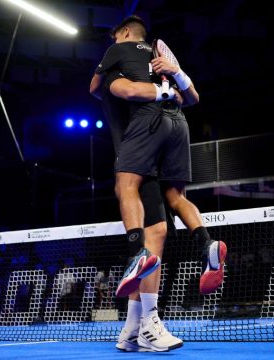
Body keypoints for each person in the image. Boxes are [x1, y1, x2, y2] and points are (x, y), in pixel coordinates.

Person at [90, 15, 227, 352]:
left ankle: (145, 320)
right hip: (170, 132)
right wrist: (172, 85)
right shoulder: (156, 64)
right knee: (166, 217)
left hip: (144, 142)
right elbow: (190, 97)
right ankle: (137, 326)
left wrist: (146, 89)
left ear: (122, 33)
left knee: (136, 205)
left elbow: (102, 88)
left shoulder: (118, 60)